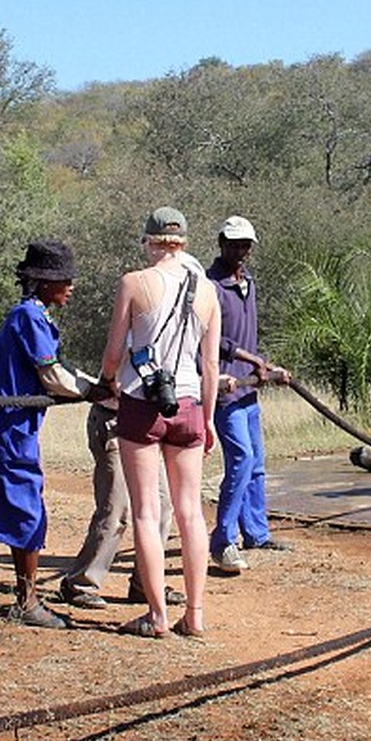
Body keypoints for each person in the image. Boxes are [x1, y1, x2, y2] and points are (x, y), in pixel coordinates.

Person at [0, 238, 106, 629]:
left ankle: (26, 594)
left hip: (14, 426)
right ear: (41, 282)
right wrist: (94, 391)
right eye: (63, 279)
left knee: (24, 507)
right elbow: (52, 373)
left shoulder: (34, 316)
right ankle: (27, 601)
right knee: (27, 513)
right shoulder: (27, 317)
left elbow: (58, 366)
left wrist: (91, 384)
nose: (70, 286)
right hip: (6, 428)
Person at [99, 206, 220, 638]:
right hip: (188, 405)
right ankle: (196, 614)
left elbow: (114, 352)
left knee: (147, 514)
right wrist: (207, 420)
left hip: (141, 402)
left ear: (149, 241)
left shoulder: (135, 282)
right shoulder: (207, 292)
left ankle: (157, 616)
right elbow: (209, 364)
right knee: (191, 513)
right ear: (184, 243)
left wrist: (108, 382)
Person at [206, 215, 291, 575]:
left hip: (249, 388)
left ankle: (256, 532)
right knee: (240, 461)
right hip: (226, 389)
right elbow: (211, 340)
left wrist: (264, 367)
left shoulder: (248, 282)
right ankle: (222, 540)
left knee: (256, 462)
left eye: (246, 245)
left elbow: (247, 335)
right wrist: (252, 360)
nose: (240, 251)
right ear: (221, 243)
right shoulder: (210, 286)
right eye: (234, 244)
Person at [57, 401, 186, 610]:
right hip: (115, 421)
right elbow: (112, 378)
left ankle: (145, 584)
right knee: (116, 508)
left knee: (161, 507)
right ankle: (80, 583)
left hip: (147, 425)